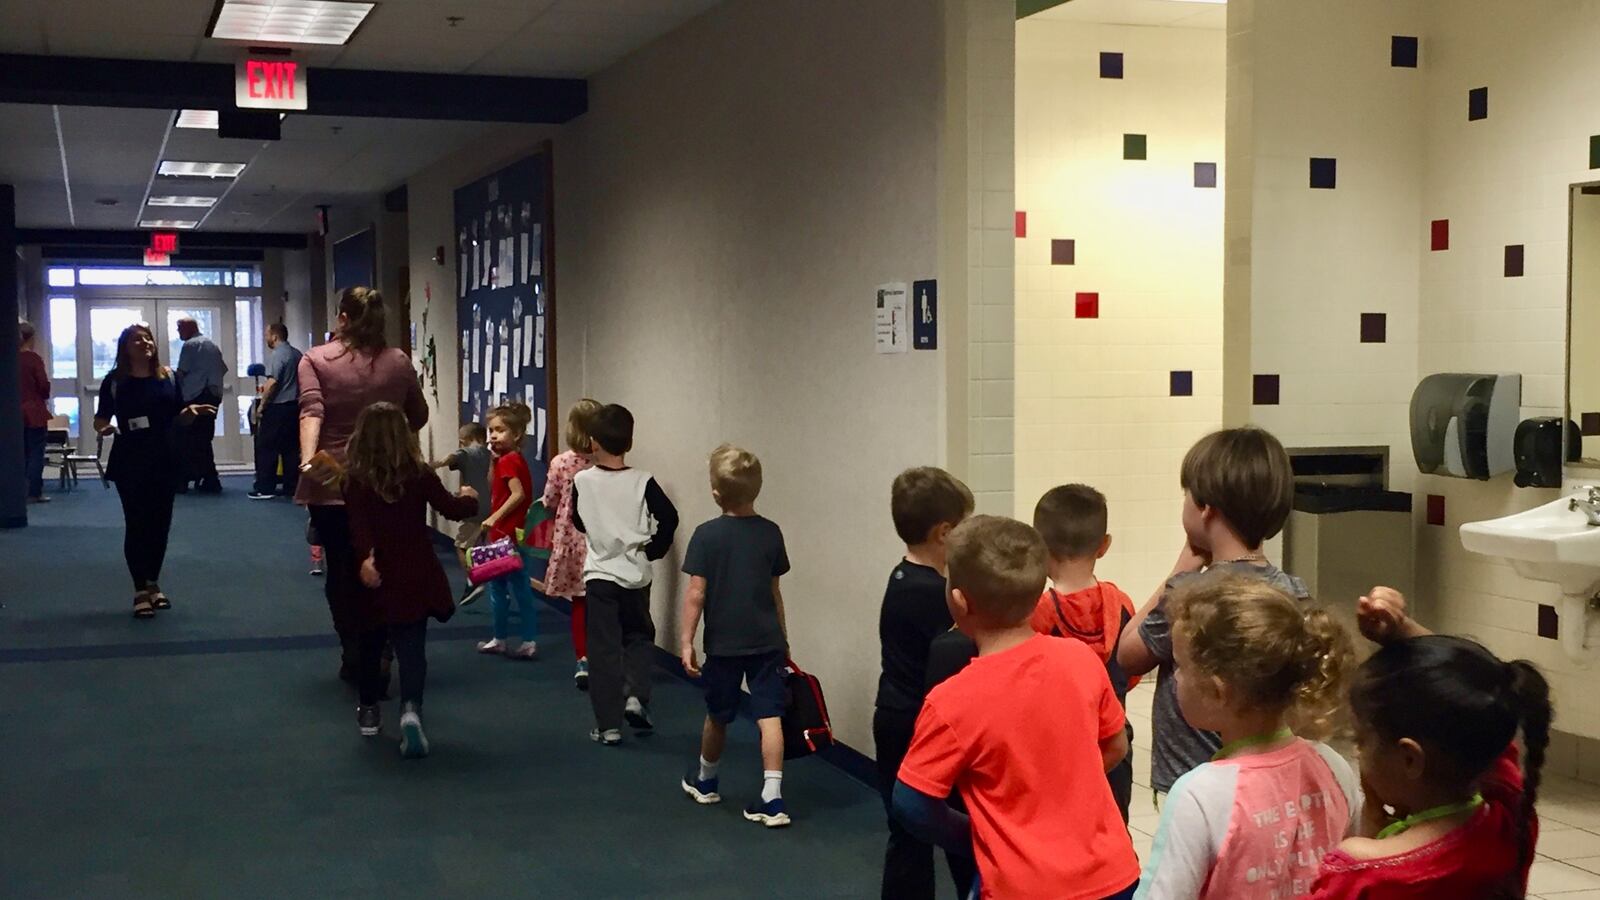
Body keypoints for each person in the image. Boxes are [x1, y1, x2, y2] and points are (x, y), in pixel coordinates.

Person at [892, 515, 1139, 900]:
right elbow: (1115, 746)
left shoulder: (952, 700)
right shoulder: (1081, 659)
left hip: (1024, 886)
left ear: (959, 600)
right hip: (1113, 875)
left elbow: (911, 802)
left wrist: (976, 835)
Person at [1309, 587, 1550, 899]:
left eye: (1362, 739)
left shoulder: (1363, 872)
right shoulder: (1510, 826)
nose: (1357, 752)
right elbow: (1478, 706)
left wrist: (1370, 822)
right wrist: (1405, 631)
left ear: (1410, 759)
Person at [1134, 575, 1359, 900]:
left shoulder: (1200, 796)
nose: (1175, 678)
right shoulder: (1334, 767)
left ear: (1216, 692)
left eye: (1180, 666)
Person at [1117, 426, 1308, 802]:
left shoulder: (1190, 595)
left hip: (1194, 785)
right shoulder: (1292, 593)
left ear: (1205, 509)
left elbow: (1127, 654)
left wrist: (1181, 569)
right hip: (1267, 779)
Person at [297, 286, 429, 684]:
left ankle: (354, 649)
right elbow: (417, 414)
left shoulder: (315, 360)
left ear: (342, 319)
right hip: (390, 481)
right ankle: (385, 644)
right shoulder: (398, 361)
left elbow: (311, 410)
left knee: (341, 569)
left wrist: (308, 459)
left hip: (334, 483)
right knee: (386, 563)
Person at [344, 402, 480, 752]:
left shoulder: (355, 479)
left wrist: (364, 559)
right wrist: (470, 499)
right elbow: (450, 509)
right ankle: (411, 711)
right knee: (412, 647)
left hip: (376, 572)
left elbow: (357, 527)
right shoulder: (419, 473)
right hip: (415, 569)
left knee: (371, 645)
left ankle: (370, 710)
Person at [873, 466, 976, 900]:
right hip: (923, 725)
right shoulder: (938, 596)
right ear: (945, 532)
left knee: (909, 834)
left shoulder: (902, 577)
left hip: (895, 715)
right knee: (959, 832)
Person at [677, 445, 794, 827]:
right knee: (770, 715)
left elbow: (696, 594)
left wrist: (685, 641)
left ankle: (707, 779)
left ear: (715, 493)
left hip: (724, 644)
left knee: (718, 714)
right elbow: (774, 592)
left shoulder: (706, 536)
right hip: (767, 641)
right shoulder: (771, 533)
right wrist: (784, 637)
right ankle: (772, 797)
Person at [571, 403, 679, 745]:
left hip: (600, 575)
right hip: (635, 575)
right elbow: (669, 518)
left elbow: (577, 520)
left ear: (592, 442)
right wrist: (653, 549)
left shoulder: (582, 480)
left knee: (602, 649)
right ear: (629, 443)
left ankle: (608, 725)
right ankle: (637, 697)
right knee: (637, 637)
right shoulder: (643, 481)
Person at [1029, 484, 1138, 821]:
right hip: (1114, 745)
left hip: (1058, 753)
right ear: (1103, 545)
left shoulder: (1036, 614)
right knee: (1114, 827)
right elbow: (1130, 674)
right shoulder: (1121, 604)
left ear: (1038, 546)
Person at [93, 323, 216, 618]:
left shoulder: (168, 378)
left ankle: (153, 583)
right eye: (138, 339)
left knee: (161, 524)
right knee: (137, 523)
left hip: (165, 457)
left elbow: (178, 417)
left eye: (148, 338)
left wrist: (190, 414)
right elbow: (100, 418)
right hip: (130, 460)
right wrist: (106, 428)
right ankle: (139, 589)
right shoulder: (115, 381)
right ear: (125, 347)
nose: (146, 342)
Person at [541, 399, 603, 690]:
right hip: (601, 539)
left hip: (571, 537)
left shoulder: (561, 463)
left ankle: (583, 659)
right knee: (604, 601)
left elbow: (550, 500)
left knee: (579, 601)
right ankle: (608, 656)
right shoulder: (605, 461)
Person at [475, 402, 541, 660]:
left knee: (512, 589)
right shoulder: (507, 460)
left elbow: (518, 495)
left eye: (500, 430)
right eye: (491, 430)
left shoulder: (510, 460)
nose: (493, 435)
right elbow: (496, 487)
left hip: (507, 535)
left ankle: (524, 640)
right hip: (506, 534)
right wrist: (492, 464)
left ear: (516, 435)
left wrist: (494, 517)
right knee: (502, 589)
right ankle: (504, 639)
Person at [432, 422, 491, 604]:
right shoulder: (491, 454)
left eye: (462, 441)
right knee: (486, 547)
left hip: (473, 509)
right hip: (493, 508)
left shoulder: (466, 453)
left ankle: (473, 580)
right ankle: (500, 587)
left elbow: (451, 458)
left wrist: (433, 465)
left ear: (467, 440)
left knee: (461, 546)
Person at [174, 316, 227, 494]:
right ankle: (209, 479)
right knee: (203, 440)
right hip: (213, 395)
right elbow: (223, 369)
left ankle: (184, 480)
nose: (178, 332)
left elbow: (181, 373)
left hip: (195, 396)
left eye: (179, 328)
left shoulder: (190, 345)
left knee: (187, 440)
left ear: (189, 328)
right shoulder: (212, 345)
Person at [249, 323, 302, 500]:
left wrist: (262, 406)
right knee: (291, 450)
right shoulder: (297, 354)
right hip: (294, 407)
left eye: (266, 335)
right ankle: (292, 487)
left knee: (267, 447)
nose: (265, 338)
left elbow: (272, 383)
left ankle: (265, 487)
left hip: (278, 407)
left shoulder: (278, 355)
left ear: (275, 336)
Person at [18, 321, 51, 504]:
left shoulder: (8, 358)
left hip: (13, 414)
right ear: (31, 338)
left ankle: (17, 492)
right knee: (36, 453)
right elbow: (43, 386)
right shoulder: (33, 359)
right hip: (34, 412)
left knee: (19, 454)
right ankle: (34, 492)